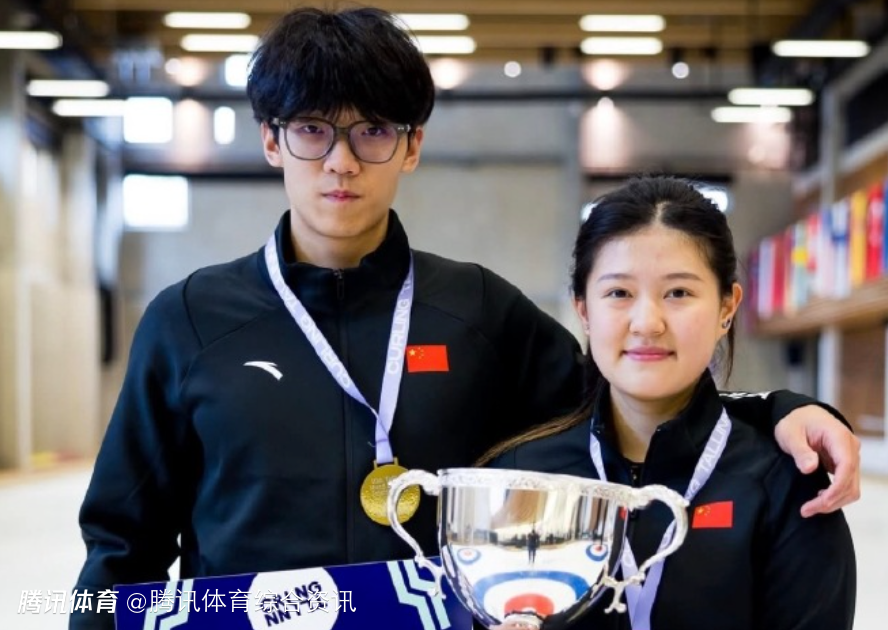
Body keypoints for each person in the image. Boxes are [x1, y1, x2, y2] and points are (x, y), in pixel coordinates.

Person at [70, 7, 859, 629]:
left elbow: (633, 390)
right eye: (311, 129)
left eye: (372, 131)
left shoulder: (479, 311)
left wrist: (782, 409)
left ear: (411, 146)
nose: (341, 161)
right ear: (272, 141)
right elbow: (120, 545)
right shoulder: (190, 321)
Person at [480, 176, 856, 629]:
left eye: (678, 293)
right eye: (619, 293)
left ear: (726, 307)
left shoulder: (784, 485)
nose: (647, 323)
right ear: (583, 310)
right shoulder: (520, 478)